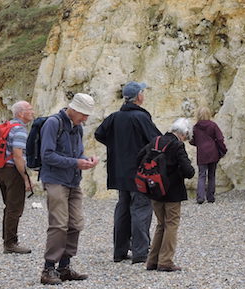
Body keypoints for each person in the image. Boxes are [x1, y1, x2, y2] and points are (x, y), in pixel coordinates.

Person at [94, 80, 161, 264]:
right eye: (143, 93)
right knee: (141, 208)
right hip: (139, 171)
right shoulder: (140, 117)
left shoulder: (115, 117)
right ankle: (140, 252)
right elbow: (156, 140)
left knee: (123, 208)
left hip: (119, 170)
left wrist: (116, 146)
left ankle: (120, 251)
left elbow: (99, 134)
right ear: (139, 96)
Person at [38, 93, 99, 285]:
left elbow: (78, 152)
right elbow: (46, 155)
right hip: (55, 179)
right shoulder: (53, 124)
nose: (85, 119)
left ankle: (64, 266)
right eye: (83, 114)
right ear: (73, 109)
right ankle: (48, 268)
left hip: (73, 180)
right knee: (58, 224)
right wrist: (76, 162)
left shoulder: (77, 127)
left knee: (76, 223)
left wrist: (86, 160)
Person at [140, 118, 196, 271]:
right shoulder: (177, 146)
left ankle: (152, 260)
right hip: (172, 192)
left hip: (155, 190)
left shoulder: (155, 141)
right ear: (183, 133)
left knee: (160, 224)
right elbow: (188, 172)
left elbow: (140, 158)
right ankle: (165, 261)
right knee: (171, 224)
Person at [0, 100, 35, 254]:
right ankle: (10, 243)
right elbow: (18, 156)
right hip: (13, 171)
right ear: (21, 113)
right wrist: (25, 177)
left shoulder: (7, 126)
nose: (32, 111)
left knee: (9, 206)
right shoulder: (19, 130)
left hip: (1, 170)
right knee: (15, 208)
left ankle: (7, 239)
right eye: (29, 109)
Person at [191, 106, 227, 204]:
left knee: (202, 175)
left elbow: (192, 140)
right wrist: (223, 149)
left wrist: (199, 143)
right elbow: (220, 139)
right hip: (213, 152)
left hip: (201, 153)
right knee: (212, 175)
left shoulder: (195, 127)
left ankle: (200, 197)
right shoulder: (213, 125)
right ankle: (210, 197)